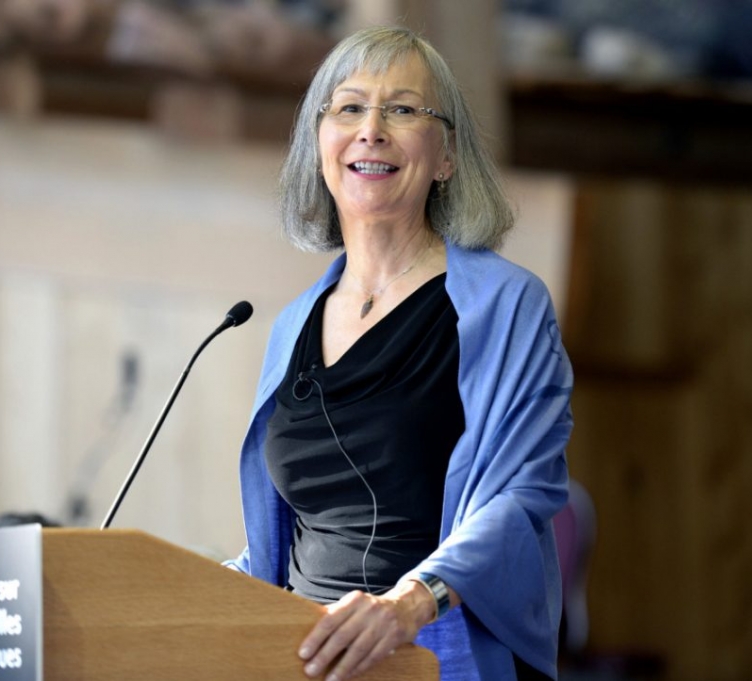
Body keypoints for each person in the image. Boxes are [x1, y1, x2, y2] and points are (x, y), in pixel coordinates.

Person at [225, 25, 573, 681]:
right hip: (304, 658)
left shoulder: (507, 305)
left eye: (403, 109)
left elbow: (524, 494)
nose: (371, 128)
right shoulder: (291, 324)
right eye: (349, 107)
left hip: (438, 652)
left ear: (445, 157)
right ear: (319, 145)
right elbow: (283, 542)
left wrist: (410, 603)